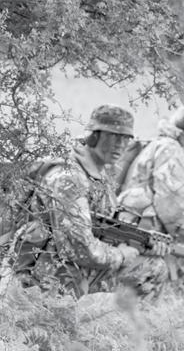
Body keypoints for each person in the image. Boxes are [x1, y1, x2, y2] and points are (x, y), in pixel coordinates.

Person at [11, 104, 162, 297]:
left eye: (125, 138)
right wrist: (122, 255)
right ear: (93, 136)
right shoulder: (69, 177)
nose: (120, 145)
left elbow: (100, 225)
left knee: (152, 263)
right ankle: (62, 307)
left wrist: (142, 244)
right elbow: (80, 248)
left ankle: (107, 313)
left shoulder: (99, 172)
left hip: (66, 263)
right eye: (113, 136)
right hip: (46, 272)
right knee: (152, 268)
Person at [116, 91, 184, 288]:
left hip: (152, 241)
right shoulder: (171, 150)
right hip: (147, 243)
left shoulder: (176, 149)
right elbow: (174, 211)